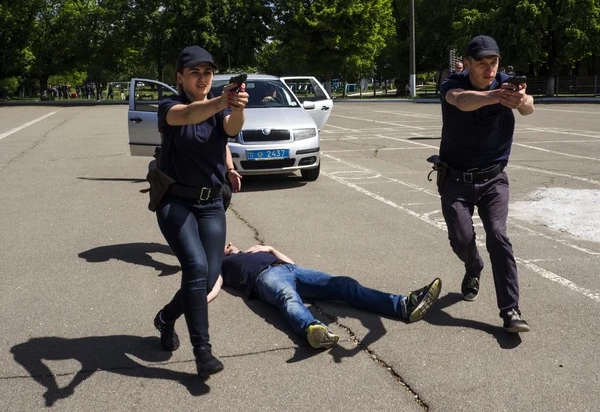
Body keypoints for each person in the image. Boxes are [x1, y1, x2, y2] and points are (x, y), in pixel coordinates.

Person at [151, 45, 248, 376]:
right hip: (176, 202)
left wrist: (237, 108)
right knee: (194, 266)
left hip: (211, 205)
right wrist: (222, 100)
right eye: (195, 73)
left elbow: (230, 132)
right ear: (180, 77)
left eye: (208, 72)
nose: (203, 78)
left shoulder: (218, 112)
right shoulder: (170, 107)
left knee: (207, 280)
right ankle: (203, 351)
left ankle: (165, 317)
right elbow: (191, 115)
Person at [435, 35, 534, 333]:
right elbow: (462, 102)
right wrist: (495, 97)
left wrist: (521, 100)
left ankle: (511, 311)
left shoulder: (507, 83)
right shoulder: (452, 84)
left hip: (493, 178)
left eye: (494, 63)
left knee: (498, 235)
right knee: (461, 240)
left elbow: (528, 106)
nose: (490, 70)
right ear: (467, 64)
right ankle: (473, 266)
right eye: (482, 64)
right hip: (455, 179)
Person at [208, 243, 442, 349]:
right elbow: (215, 286)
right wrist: (196, 300)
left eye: (229, 243)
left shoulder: (255, 249)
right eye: (223, 245)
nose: (228, 243)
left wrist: (268, 248)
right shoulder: (222, 264)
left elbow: (292, 263)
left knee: (344, 285)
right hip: (266, 278)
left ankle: (403, 305)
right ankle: (313, 330)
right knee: (288, 298)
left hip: (291, 270)